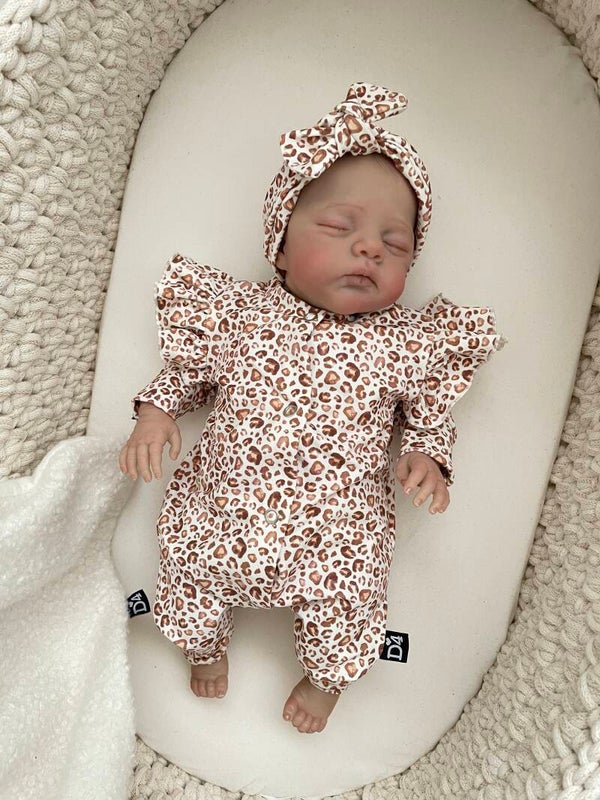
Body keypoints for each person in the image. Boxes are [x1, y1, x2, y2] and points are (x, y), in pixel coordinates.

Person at [119, 83, 504, 734]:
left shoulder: (402, 342)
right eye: (339, 227)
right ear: (280, 242)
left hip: (335, 548)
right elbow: (188, 375)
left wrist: (427, 457)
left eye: (395, 243)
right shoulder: (241, 314)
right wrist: (155, 415)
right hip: (220, 522)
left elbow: (429, 416)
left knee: (351, 613)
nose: (370, 248)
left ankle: (327, 679)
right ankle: (203, 646)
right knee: (185, 577)